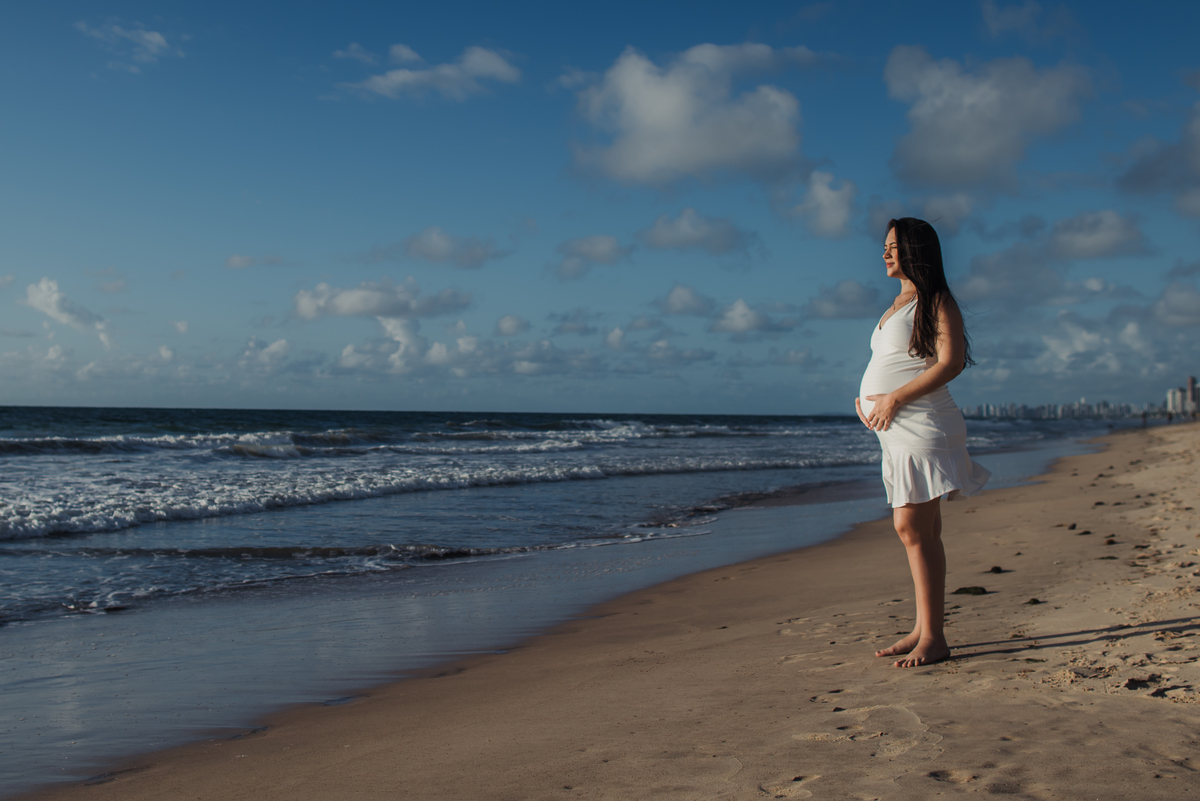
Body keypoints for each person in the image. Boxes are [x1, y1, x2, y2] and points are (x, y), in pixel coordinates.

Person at [855, 218, 990, 668]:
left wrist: (892, 397)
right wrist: (868, 401)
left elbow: (950, 363)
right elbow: (894, 361)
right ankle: (924, 628)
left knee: (912, 527)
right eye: (884, 246)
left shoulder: (937, 299)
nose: (885, 253)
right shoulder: (899, 301)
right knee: (919, 529)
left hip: (924, 422)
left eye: (893, 246)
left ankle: (934, 636)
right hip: (895, 427)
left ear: (916, 250)